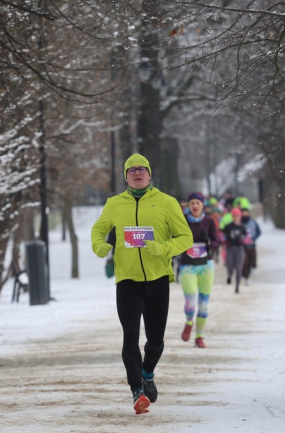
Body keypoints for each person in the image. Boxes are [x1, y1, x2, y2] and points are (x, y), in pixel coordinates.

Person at [91, 154, 193, 414]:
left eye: (142, 169)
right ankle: (137, 390)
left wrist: (163, 248)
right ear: (126, 176)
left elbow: (185, 238)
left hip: (158, 279)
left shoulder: (167, 203)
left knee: (155, 342)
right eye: (132, 170)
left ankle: (147, 373)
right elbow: (99, 230)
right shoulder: (114, 204)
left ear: (150, 174)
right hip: (127, 281)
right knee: (130, 338)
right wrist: (100, 245)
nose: (137, 173)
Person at [176, 192, 219, 348]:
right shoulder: (182, 220)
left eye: (198, 203)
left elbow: (216, 243)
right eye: (192, 203)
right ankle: (189, 322)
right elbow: (175, 239)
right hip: (187, 265)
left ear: (202, 205)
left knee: (204, 304)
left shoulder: (209, 221)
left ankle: (199, 336)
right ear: (189, 205)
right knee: (191, 300)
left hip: (206, 265)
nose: (195, 206)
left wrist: (208, 242)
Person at [221, 207, 247, 294]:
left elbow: (246, 237)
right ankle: (229, 275)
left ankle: (237, 286)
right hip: (230, 248)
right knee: (229, 265)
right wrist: (224, 244)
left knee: (239, 268)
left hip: (239, 249)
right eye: (235, 216)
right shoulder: (228, 226)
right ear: (232, 217)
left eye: (238, 216)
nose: (236, 217)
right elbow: (223, 236)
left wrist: (243, 240)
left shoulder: (242, 227)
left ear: (240, 217)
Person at [239, 206, 261, 284]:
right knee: (244, 262)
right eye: (243, 213)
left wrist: (253, 239)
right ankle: (246, 277)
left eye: (246, 213)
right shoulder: (239, 223)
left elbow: (259, 232)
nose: (244, 214)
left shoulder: (253, 222)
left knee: (252, 260)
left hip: (251, 246)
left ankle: (252, 269)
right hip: (242, 246)